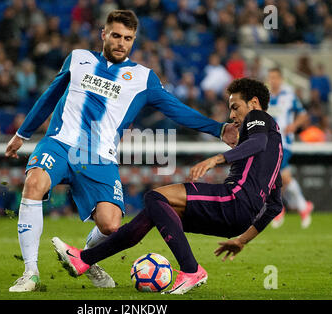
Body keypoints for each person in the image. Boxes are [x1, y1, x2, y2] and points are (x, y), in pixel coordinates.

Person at [5, 10, 238, 292]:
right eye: (115, 35)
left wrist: (218, 129)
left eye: (128, 38)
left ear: (134, 40)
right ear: (104, 34)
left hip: (99, 156)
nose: (121, 43)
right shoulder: (79, 59)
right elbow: (50, 95)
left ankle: (85, 259)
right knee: (35, 182)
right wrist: (22, 134)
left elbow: (176, 110)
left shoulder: (143, 78)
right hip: (60, 142)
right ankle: (31, 272)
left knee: (111, 225)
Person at [52, 77, 284, 295]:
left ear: (253, 103)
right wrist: (241, 240)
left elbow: (257, 141)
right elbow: (274, 205)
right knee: (153, 211)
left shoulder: (259, 118)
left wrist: (217, 159)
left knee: (155, 197)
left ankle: (191, 270)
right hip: (239, 218)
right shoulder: (277, 150)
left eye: (236, 107)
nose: (232, 114)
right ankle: (84, 260)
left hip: (232, 200)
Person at [266, 68, 313, 229]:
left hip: (284, 143)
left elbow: (303, 115)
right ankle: (303, 206)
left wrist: (294, 125)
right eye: (270, 77)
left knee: (277, 174)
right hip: (268, 144)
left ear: (281, 79)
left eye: (275, 77)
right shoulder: (265, 98)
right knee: (284, 176)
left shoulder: (289, 96)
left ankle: (279, 208)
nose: (273, 80)